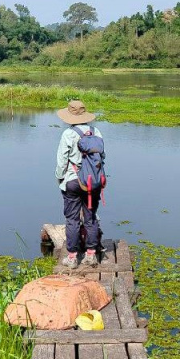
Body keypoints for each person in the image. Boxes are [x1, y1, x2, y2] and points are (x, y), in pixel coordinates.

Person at [55, 99, 104, 269]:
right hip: (92, 182)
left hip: (73, 181)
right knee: (90, 217)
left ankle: (72, 257)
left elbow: (62, 161)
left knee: (72, 219)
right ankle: (91, 255)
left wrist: (60, 178)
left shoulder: (68, 134)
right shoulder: (96, 131)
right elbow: (101, 158)